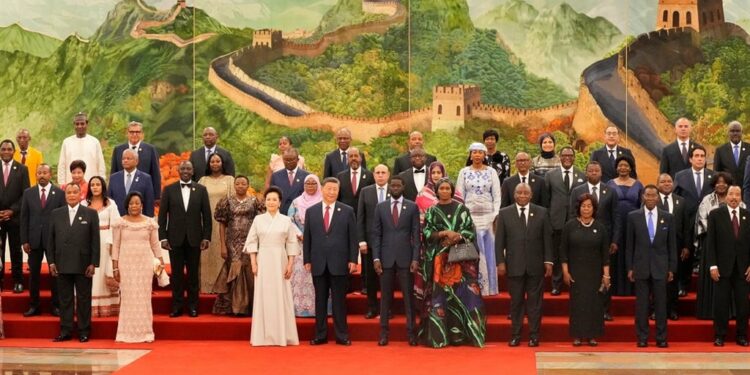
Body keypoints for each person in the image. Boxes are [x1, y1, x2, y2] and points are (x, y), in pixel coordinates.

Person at [420, 177, 485, 348]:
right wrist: (443, 234)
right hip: (440, 264)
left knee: (463, 297)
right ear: (436, 191)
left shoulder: (462, 209)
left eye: (447, 188)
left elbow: (470, 230)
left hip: (462, 262)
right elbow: (426, 233)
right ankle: (440, 337)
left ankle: (462, 336)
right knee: (442, 298)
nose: (444, 191)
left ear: (452, 190)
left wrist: (456, 237)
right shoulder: (431, 211)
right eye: (441, 188)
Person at [496, 183, 553, 347]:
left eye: (525, 193)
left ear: (531, 195)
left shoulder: (542, 212)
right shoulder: (505, 213)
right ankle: (515, 335)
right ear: (514, 195)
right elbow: (499, 241)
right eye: (519, 192)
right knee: (516, 303)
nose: (522, 195)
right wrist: (500, 262)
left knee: (535, 304)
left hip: (536, 266)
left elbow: (547, 239)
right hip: (514, 266)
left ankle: (534, 336)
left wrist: (548, 261)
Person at [303, 177, 358, 346]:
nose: (332, 192)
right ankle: (320, 335)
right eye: (329, 189)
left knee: (339, 301)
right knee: (320, 300)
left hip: (339, 262)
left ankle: (342, 335)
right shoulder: (311, 211)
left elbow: (352, 237)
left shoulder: (347, 211)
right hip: (318, 262)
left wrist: (353, 259)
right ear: (323, 190)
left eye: (335, 189)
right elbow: (308, 238)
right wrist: (307, 259)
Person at [245, 186, 300, 346]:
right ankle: (262, 337)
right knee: (264, 295)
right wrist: (254, 263)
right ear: (265, 202)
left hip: (280, 259)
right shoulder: (258, 220)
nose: (271, 202)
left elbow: (291, 242)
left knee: (281, 295)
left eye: (274, 199)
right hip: (263, 260)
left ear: (280, 202)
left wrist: (290, 264)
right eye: (268, 199)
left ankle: (283, 335)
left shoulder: (286, 220)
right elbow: (252, 241)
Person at [158, 161, 212, 318]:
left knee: (193, 275)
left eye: (189, 168)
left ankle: (193, 307)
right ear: (178, 170)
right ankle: (177, 306)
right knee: (177, 275)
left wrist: (206, 237)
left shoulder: (201, 190)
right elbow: (162, 217)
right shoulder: (169, 190)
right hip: (174, 239)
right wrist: (163, 237)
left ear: (193, 170)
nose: (186, 171)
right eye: (183, 168)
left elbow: (207, 216)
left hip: (195, 239)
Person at [48, 183, 100, 342]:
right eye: (68, 192)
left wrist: (94, 263)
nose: (71, 195)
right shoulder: (56, 214)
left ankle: (84, 331)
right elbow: (50, 240)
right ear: (65, 195)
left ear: (80, 195)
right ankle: (65, 330)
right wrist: (51, 262)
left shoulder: (90, 213)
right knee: (65, 299)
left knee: (84, 299)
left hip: (83, 264)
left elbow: (95, 241)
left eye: (74, 192)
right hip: (62, 262)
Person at [626, 184, 677, 348]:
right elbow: (629, 245)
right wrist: (630, 267)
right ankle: (642, 337)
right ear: (643, 197)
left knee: (661, 305)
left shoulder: (667, 217)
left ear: (658, 197)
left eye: (653, 195)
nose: (650, 198)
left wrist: (671, 268)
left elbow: (672, 245)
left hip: (661, 268)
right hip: (640, 267)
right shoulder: (633, 216)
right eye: (647, 195)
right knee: (642, 306)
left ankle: (661, 338)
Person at [372, 176, 420, 346]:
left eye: (398, 185)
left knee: (408, 298)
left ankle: (411, 333)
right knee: (385, 298)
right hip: (385, 259)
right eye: (392, 185)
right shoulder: (380, 207)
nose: (395, 188)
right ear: (389, 187)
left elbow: (416, 235)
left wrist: (415, 258)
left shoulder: (412, 207)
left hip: (406, 259)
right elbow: (376, 235)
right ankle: (384, 333)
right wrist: (376, 257)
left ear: (403, 187)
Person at [112, 192, 165, 343]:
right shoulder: (120, 223)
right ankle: (125, 333)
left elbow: (155, 245)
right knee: (128, 298)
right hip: (126, 265)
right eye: (131, 203)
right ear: (127, 205)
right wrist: (115, 268)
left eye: (137, 203)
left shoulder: (150, 223)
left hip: (144, 266)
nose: (134, 206)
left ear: (142, 205)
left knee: (143, 298)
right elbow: (115, 246)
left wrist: (160, 262)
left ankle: (146, 332)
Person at [571, 162, 620, 319]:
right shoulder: (577, 191)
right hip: (582, 240)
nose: (593, 173)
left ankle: (604, 310)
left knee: (604, 275)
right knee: (584, 276)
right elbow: (572, 215)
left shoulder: (610, 191)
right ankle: (583, 309)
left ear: (601, 173)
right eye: (590, 170)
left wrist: (615, 240)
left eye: (596, 170)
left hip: (603, 240)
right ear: (586, 173)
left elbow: (616, 217)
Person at [560, 193, 610, 346]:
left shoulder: (600, 228)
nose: (586, 209)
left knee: (594, 304)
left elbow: (605, 254)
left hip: (595, 273)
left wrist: (606, 276)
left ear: (594, 208)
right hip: (576, 272)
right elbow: (563, 251)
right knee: (577, 304)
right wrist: (565, 272)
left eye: (589, 206)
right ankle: (577, 335)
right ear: (578, 208)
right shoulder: (570, 226)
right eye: (583, 206)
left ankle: (592, 335)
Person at [705, 185, 750, 347]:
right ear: (726, 196)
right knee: (721, 304)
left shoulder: (747, 215)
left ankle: (742, 335)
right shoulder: (716, 215)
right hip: (722, 268)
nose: (734, 198)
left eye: (737, 194)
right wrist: (712, 266)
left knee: (743, 305)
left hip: (743, 269)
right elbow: (710, 243)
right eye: (731, 194)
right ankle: (719, 335)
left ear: (741, 198)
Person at [213, 175, 264, 316]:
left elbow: (261, 222)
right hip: (232, 242)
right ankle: (232, 307)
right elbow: (222, 224)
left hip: (250, 241)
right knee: (234, 269)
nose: (240, 186)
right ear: (234, 185)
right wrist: (223, 245)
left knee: (248, 271)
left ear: (248, 185)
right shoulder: (226, 201)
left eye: (243, 183)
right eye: (238, 183)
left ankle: (248, 307)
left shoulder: (255, 202)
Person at [456, 142, 501, 296]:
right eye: (474, 152)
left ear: (484, 155)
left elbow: (497, 195)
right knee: (472, 252)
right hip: (470, 217)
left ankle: (489, 288)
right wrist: (463, 217)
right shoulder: (464, 172)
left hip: (488, 217)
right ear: (470, 155)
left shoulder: (491, 172)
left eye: (480, 152)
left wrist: (495, 215)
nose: (476, 155)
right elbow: (459, 195)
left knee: (488, 252)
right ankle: (471, 287)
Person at [20, 164, 64, 316]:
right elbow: (24, 218)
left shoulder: (59, 193)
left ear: (50, 174)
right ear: (36, 174)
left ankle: (56, 306)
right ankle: (34, 305)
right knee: (34, 275)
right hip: (33, 240)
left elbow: (63, 219)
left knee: (55, 274)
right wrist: (24, 240)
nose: (42, 175)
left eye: (45, 172)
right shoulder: (28, 193)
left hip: (54, 241)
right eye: (39, 173)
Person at [542, 146, 586, 295]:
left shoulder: (581, 175)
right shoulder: (550, 175)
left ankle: (575, 283)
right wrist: (547, 219)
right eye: (564, 155)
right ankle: (556, 284)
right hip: (556, 220)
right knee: (557, 253)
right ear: (559, 157)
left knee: (576, 253)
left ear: (574, 158)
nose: (567, 158)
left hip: (576, 220)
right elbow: (546, 200)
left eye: (570, 155)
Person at [694, 172, 736, 319]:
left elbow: (740, 222)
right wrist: (719, 232)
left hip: (732, 245)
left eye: (724, 182)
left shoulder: (736, 198)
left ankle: (731, 312)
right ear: (714, 184)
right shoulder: (707, 200)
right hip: (710, 243)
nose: (721, 185)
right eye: (718, 182)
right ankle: (709, 311)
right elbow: (702, 220)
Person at [674, 145, 714, 298]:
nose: (699, 159)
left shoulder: (713, 175)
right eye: (696, 156)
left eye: (702, 156)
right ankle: (682, 285)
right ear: (690, 159)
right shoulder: (680, 176)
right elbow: (676, 197)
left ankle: (706, 289)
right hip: (687, 220)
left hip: (707, 222)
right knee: (686, 253)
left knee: (706, 254)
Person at [289, 174, 329, 317]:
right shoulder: (296, 202)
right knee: (301, 274)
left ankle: (321, 309)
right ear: (303, 185)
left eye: (313, 183)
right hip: (301, 245)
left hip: (320, 244)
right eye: (308, 183)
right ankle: (300, 309)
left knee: (319, 275)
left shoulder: (324, 201)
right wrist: (300, 234)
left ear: (318, 185)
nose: (311, 186)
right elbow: (290, 221)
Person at [83, 176, 121, 317]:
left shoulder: (111, 204)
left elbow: (116, 225)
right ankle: (90, 306)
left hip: (106, 243)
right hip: (87, 244)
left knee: (104, 272)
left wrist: (112, 244)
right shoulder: (83, 204)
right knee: (91, 274)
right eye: (92, 184)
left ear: (102, 186)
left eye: (98, 184)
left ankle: (107, 306)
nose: (95, 187)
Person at [197, 152, 234, 294]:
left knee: (223, 254)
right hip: (206, 223)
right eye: (212, 161)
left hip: (224, 224)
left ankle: (222, 287)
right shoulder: (203, 180)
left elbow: (233, 201)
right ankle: (206, 287)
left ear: (222, 163)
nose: (215, 164)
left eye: (218, 161)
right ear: (208, 164)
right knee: (207, 254)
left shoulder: (230, 180)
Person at [606, 156, 642, 299]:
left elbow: (642, 205)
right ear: (616, 168)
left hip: (633, 225)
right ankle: (615, 287)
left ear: (631, 167)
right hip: (615, 224)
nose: (623, 168)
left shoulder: (638, 185)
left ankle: (631, 287)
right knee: (615, 253)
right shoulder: (609, 183)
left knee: (631, 252)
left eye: (626, 165)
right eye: (620, 165)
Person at [356, 165, 389, 318]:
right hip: (369, 242)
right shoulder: (365, 191)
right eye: (378, 173)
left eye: (383, 173)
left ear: (388, 174)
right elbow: (360, 218)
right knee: (370, 278)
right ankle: (372, 308)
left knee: (387, 278)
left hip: (390, 242)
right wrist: (361, 240)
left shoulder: (394, 190)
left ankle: (387, 309)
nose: (380, 175)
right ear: (373, 175)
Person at [0, 139, 30, 293]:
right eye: (3, 149)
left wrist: (12, 211)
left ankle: (18, 281)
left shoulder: (22, 169)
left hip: (15, 217)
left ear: (14, 151)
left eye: (9, 149)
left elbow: (26, 194)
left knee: (15, 251)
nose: (6, 152)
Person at [656, 173, 688, 321]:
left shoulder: (681, 201)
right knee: (657, 280)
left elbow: (686, 225)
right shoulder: (652, 200)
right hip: (657, 247)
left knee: (673, 279)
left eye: (669, 181)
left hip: (676, 246)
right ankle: (656, 310)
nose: (667, 184)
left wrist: (686, 246)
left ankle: (673, 309)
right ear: (658, 184)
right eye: (663, 181)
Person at [110, 121, 161, 200]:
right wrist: (110, 195)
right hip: (121, 194)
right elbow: (114, 172)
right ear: (127, 133)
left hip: (144, 194)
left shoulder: (150, 149)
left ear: (142, 134)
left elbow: (155, 174)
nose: (134, 134)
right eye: (132, 132)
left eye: (137, 132)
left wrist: (157, 197)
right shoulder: (118, 149)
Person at [57, 112, 106, 184]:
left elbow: (101, 166)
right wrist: (62, 184)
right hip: (71, 187)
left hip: (91, 185)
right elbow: (62, 166)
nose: (80, 126)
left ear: (87, 124)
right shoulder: (67, 142)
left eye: (82, 124)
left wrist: (102, 183)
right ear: (74, 125)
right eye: (77, 124)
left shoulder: (94, 142)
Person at [108, 149, 155, 217]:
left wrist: (149, 221)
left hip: (138, 221)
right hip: (118, 219)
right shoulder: (114, 178)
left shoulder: (145, 178)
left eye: (128, 158)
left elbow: (149, 203)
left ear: (136, 161)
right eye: (123, 158)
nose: (125, 160)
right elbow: (109, 200)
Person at [270, 148, 309, 215]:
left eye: (291, 160)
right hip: (281, 214)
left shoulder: (307, 176)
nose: (288, 162)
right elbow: (273, 196)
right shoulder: (276, 176)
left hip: (300, 214)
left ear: (298, 160)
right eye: (286, 160)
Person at [337, 147, 373, 214]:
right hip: (345, 214)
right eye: (351, 156)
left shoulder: (370, 175)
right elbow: (338, 198)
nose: (353, 158)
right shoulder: (340, 176)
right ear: (347, 159)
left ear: (360, 158)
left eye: (356, 156)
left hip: (363, 214)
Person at [715, 121, 749, 188]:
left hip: (746, 191)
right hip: (727, 191)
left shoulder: (749, 149)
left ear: (742, 132)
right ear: (728, 133)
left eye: (738, 131)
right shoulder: (720, 150)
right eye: (732, 131)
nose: (735, 133)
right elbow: (716, 173)